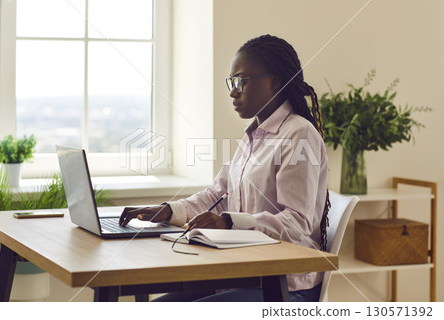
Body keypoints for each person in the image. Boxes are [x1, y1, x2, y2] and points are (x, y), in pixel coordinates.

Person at [119, 34, 330, 302]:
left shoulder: (299, 134)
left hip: (284, 287)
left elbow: (298, 223)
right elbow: (216, 196)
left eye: (241, 81)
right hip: (244, 274)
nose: (233, 91)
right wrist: (168, 210)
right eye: (232, 82)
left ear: (274, 82)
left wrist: (229, 222)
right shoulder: (254, 136)